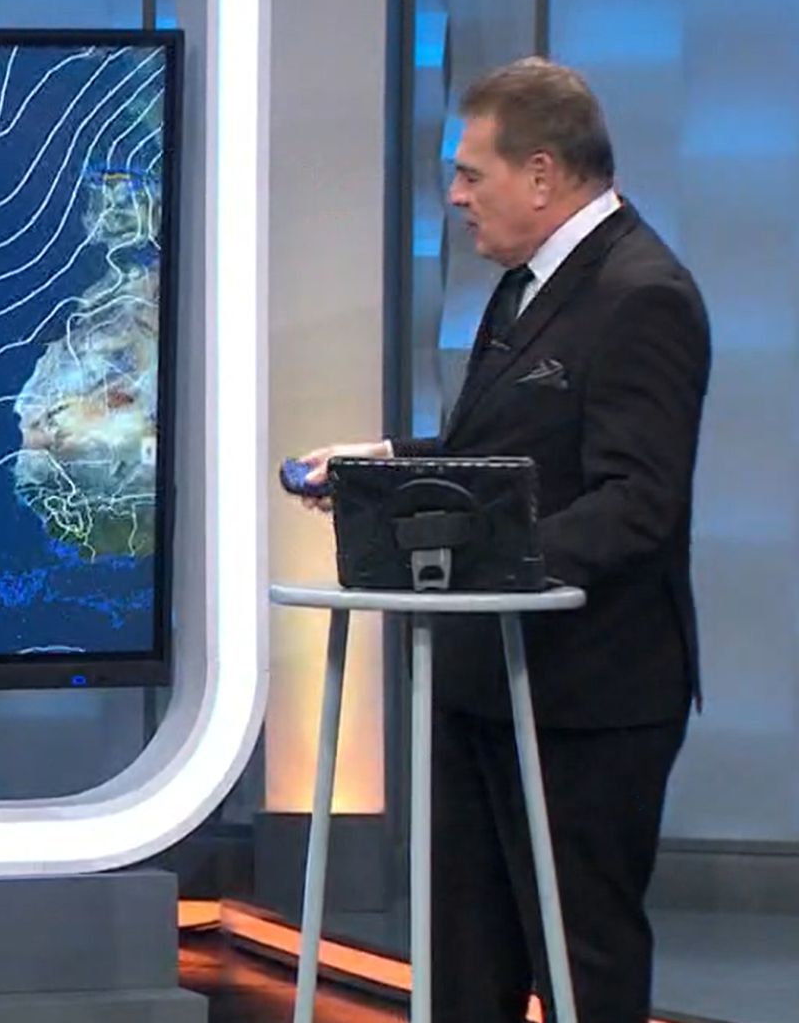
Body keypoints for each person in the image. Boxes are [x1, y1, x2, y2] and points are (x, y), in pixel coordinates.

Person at [296, 57, 710, 1023]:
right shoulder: (527, 284)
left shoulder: (644, 294)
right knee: (463, 964)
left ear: (541, 174)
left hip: (586, 702)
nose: (455, 196)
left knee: (580, 966)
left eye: (470, 173)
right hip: (484, 681)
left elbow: (637, 503)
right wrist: (386, 465)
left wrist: (490, 565)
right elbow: (508, 453)